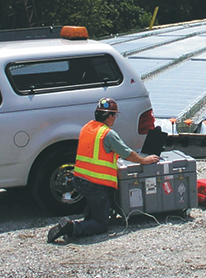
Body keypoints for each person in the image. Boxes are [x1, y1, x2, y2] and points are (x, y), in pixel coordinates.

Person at [47, 97, 159, 243]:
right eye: (115, 115)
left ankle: (86, 220)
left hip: (80, 179)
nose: (115, 119)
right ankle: (72, 227)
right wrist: (144, 160)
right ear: (110, 116)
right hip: (96, 183)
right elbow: (127, 153)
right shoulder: (107, 134)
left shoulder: (87, 128)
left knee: (94, 209)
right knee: (101, 224)